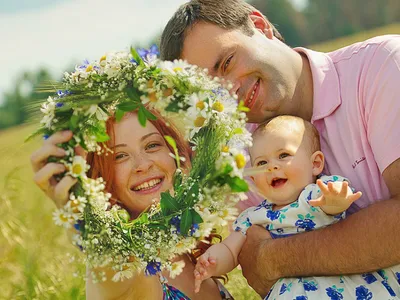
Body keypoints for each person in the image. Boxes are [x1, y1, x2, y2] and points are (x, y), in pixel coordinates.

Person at [160, 0, 400, 296]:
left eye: (227, 63)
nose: (228, 91)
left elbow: (264, 261)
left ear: (259, 26)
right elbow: (258, 273)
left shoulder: (382, 66)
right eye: (210, 92)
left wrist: (274, 257)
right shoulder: (243, 158)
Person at [30, 110, 233, 299]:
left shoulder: (186, 248)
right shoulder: (125, 271)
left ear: (176, 155)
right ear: (99, 179)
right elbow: (107, 259)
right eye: (119, 156)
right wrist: (78, 208)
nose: (142, 165)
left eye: (152, 145)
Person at [193, 115, 400, 299]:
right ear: (255, 179)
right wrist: (213, 261)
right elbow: (231, 249)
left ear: (316, 164)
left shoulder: (317, 194)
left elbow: (334, 205)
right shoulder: (253, 218)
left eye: (283, 155)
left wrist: (336, 200)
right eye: (262, 162)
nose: (272, 166)